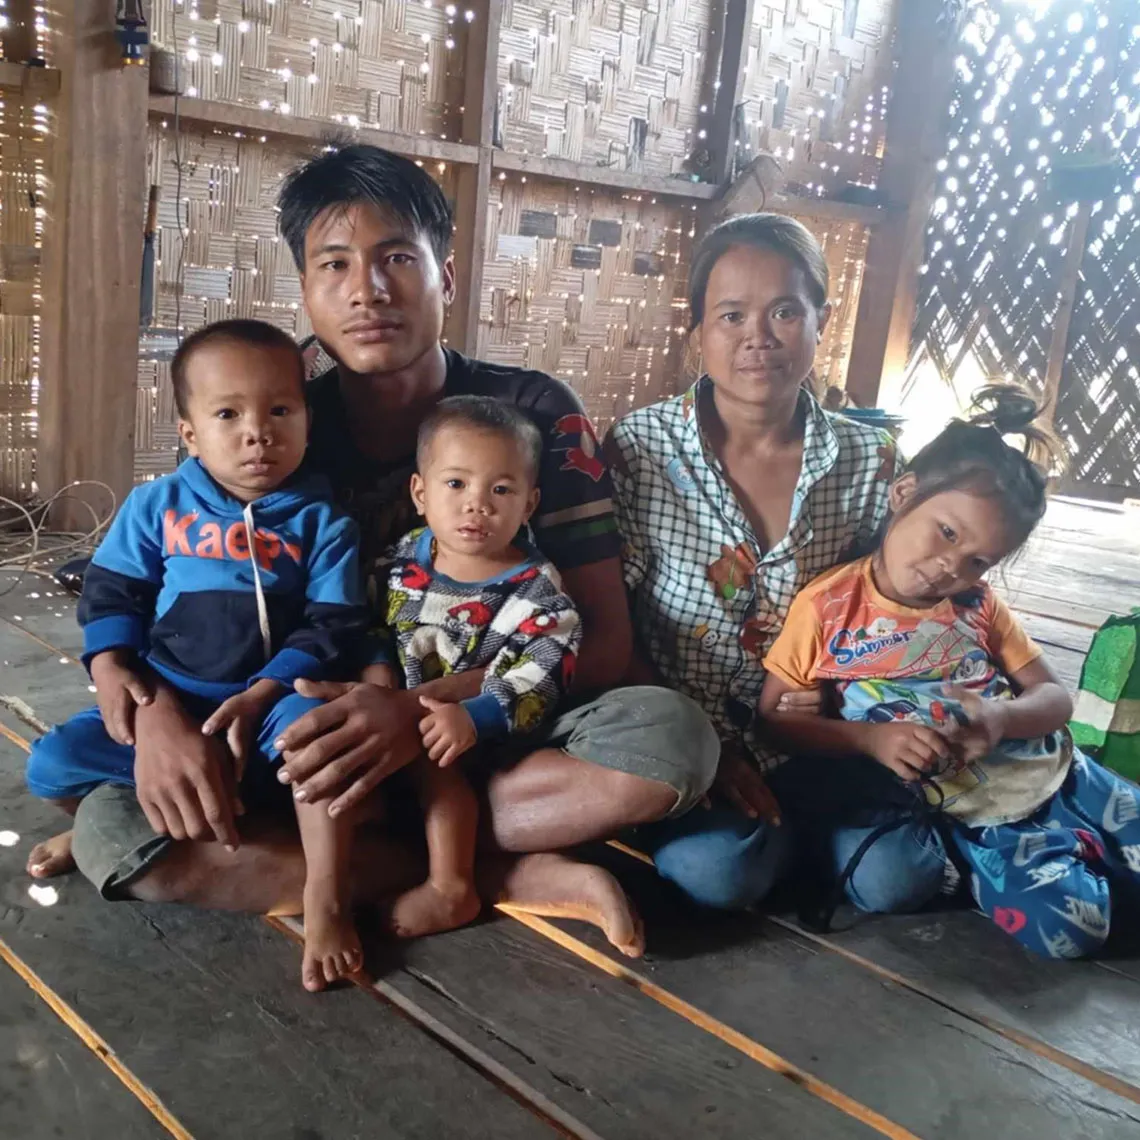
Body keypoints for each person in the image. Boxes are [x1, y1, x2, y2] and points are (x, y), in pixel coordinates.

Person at [46, 143, 716, 953]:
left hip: (485, 725)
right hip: (300, 734)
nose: (368, 289)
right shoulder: (274, 419)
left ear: (447, 276)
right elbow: (166, 587)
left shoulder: (530, 411)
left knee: (671, 741)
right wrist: (154, 716)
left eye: (398, 257)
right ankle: (484, 869)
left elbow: (601, 639)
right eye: (335, 264)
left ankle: (380, 860)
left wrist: (414, 714)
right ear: (305, 290)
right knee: (117, 835)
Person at [25, 319, 374, 990]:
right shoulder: (156, 505)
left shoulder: (324, 523)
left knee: (318, 754)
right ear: (189, 433)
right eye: (228, 414)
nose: (258, 432)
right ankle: (121, 816)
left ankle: (326, 896)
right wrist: (112, 665)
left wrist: (266, 691)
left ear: (307, 420)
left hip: (272, 705)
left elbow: (332, 626)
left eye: (280, 410)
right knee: (53, 764)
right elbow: (113, 592)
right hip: (171, 697)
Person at [759, 386, 1140, 958]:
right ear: (903, 493)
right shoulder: (828, 608)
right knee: (1071, 932)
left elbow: (1054, 698)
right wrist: (869, 739)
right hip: (981, 819)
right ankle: (1072, 867)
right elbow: (773, 720)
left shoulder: (978, 606)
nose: (949, 567)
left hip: (1068, 774)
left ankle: (1095, 857)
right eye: (948, 533)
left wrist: (1001, 718)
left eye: (977, 560)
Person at [605, 212, 903, 910]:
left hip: (827, 734)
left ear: (822, 320)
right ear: (698, 332)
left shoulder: (870, 460)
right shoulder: (640, 448)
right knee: (718, 874)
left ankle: (802, 836)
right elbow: (608, 620)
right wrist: (702, 747)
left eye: (785, 312)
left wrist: (833, 696)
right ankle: (783, 843)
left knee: (898, 881)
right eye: (731, 315)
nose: (758, 337)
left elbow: (896, 608)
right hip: (692, 739)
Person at [363, 395, 584, 943]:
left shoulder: (537, 592)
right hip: (392, 713)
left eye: (501, 490)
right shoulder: (400, 559)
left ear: (529, 504)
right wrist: (375, 669)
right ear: (420, 494)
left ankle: (451, 886)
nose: (477, 505)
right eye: (456, 484)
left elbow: (542, 670)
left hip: (475, 736)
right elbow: (366, 620)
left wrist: (475, 716)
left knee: (438, 770)